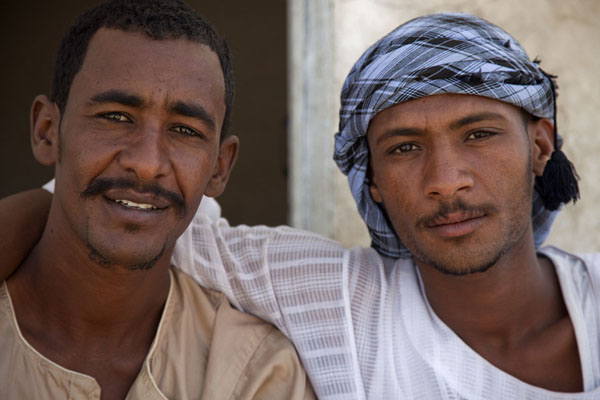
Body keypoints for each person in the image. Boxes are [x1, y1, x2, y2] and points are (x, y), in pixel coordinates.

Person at [2, 12, 599, 400]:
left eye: (478, 135)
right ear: (374, 183)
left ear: (540, 146)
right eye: (405, 147)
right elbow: (119, 206)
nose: (446, 181)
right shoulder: (334, 299)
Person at [0, 1, 315, 399]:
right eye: (115, 117)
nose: (147, 164)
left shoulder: (256, 373)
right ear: (48, 131)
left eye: (185, 130)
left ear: (219, 167)